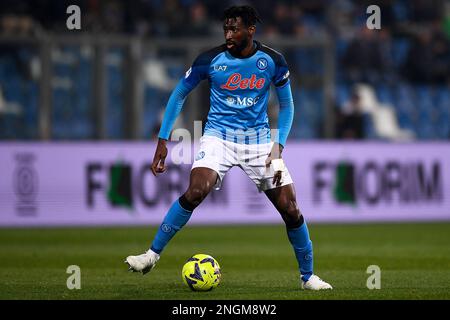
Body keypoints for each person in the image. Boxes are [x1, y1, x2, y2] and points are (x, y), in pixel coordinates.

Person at [125, 5, 332, 290]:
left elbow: (287, 105)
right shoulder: (210, 59)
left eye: (234, 28)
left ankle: (308, 277)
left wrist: (278, 146)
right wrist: (163, 140)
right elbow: (179, 93)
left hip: (258, 143)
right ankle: (151, 255)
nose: (228, 33)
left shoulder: (273, 60)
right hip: (217, 138)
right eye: (226, 28)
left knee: (291, 208)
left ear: (251, 30)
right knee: (196, 191)